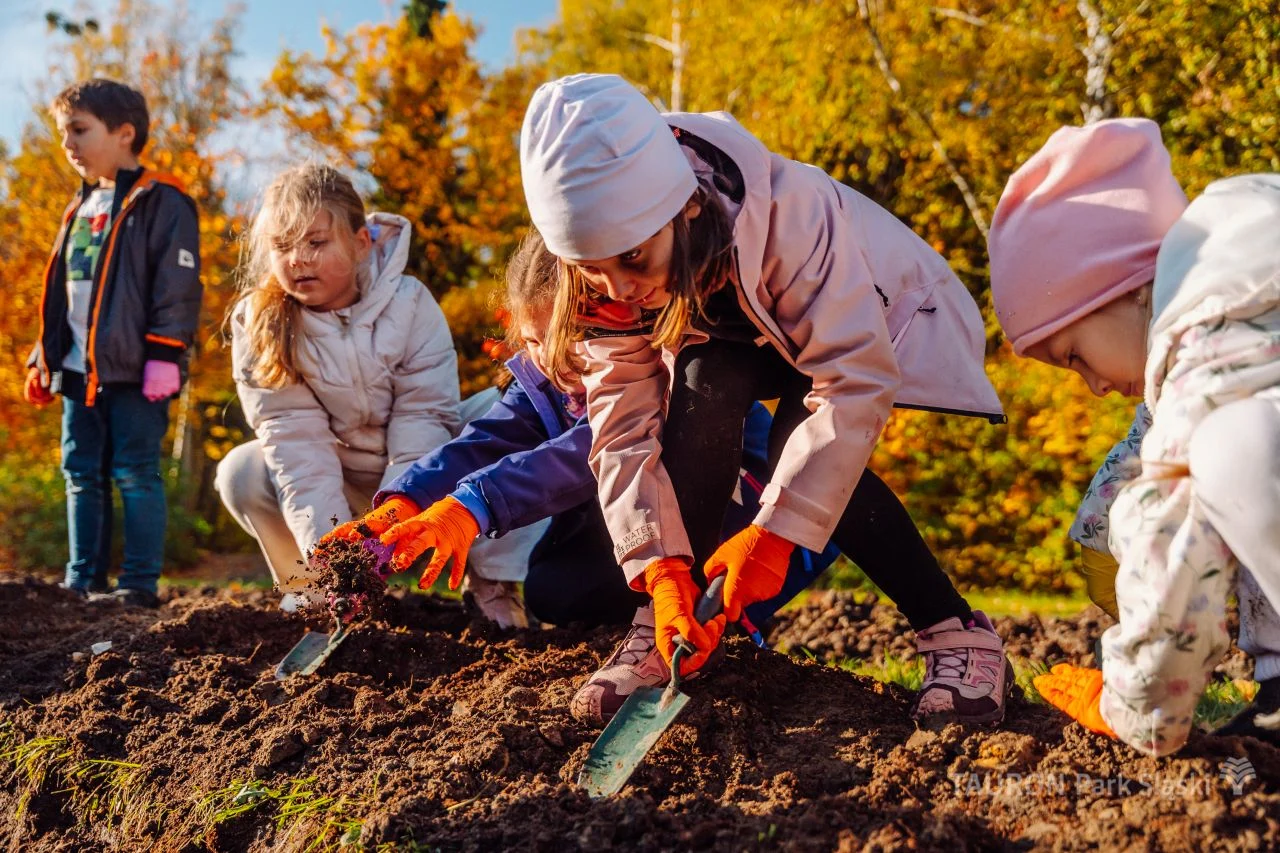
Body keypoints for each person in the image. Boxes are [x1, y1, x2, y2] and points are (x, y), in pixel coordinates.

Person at [521, 73, 1014, 726]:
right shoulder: (607, 279)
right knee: (703, 384)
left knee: (798, 450)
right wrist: (659, 567)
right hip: (736, 337)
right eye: (593, 268)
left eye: (634, 259)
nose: (619, 288)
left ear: (684, 209)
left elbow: (849, 381)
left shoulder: (792, 216)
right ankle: (669, 628)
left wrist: (775, 536)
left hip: (870, 315)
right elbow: (622, 428)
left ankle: (958, 631)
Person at [326, 230, 840, 724]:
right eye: (533, 341)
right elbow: (486, 440)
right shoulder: (544, 376)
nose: (554, 361)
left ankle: (719, 626)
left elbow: (583, 453)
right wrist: (406, 502)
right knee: (553, 590)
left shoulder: (646, 365)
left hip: (748, 518)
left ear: (606, 318)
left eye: (570, 340)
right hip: (654, 529)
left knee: (681, 537)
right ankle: (654, 620)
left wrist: (473, 505)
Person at [987, 118, 1280, 754]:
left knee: (1233, 448)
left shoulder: (1207, 348)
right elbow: (1169, 453)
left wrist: (1132, 706)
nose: (1091, 385)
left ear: (1125, 288)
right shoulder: (1247, 275)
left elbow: (1167, 532)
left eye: (1073, 355)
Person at [215, 164, 539, 624]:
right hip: (340, 475)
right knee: (242, 470)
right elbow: (296, 444)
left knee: (507, 413)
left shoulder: (409, 303)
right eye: (283, 246)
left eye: (316, 242)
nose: (298, 259)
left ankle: (493, 584)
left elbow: (424, 418)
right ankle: (313, 593)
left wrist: (390, 522)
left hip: (424, 469)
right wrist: (338, 566)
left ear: (361, 243)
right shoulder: (261, 321)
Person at [24, 78, 202, 608]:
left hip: (137, 367)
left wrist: (166, 352)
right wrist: (43, 355)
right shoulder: (78, 207)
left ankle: (139, 585)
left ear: (124, 133)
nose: (68, 144)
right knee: (81, 473)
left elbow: (178, 282)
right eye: (63, 133)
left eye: (80, 130)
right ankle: (83, 580)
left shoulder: (162, 200)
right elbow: (62, 291)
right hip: (79, 368)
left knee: (134, 472)